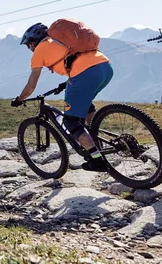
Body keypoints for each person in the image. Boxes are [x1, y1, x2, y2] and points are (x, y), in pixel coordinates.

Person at [11, 22, 114, 172]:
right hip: (105, 67)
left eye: (28, 46)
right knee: (85, 105)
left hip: (85, 73)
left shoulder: (40, 50)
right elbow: (78, 60)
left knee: (70, 121)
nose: (30, 49)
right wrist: (66, 83)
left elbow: (31, 86)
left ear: (33, 42)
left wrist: (19, 99)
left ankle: (97, 160)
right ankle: (94, 139)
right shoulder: (63, 41)